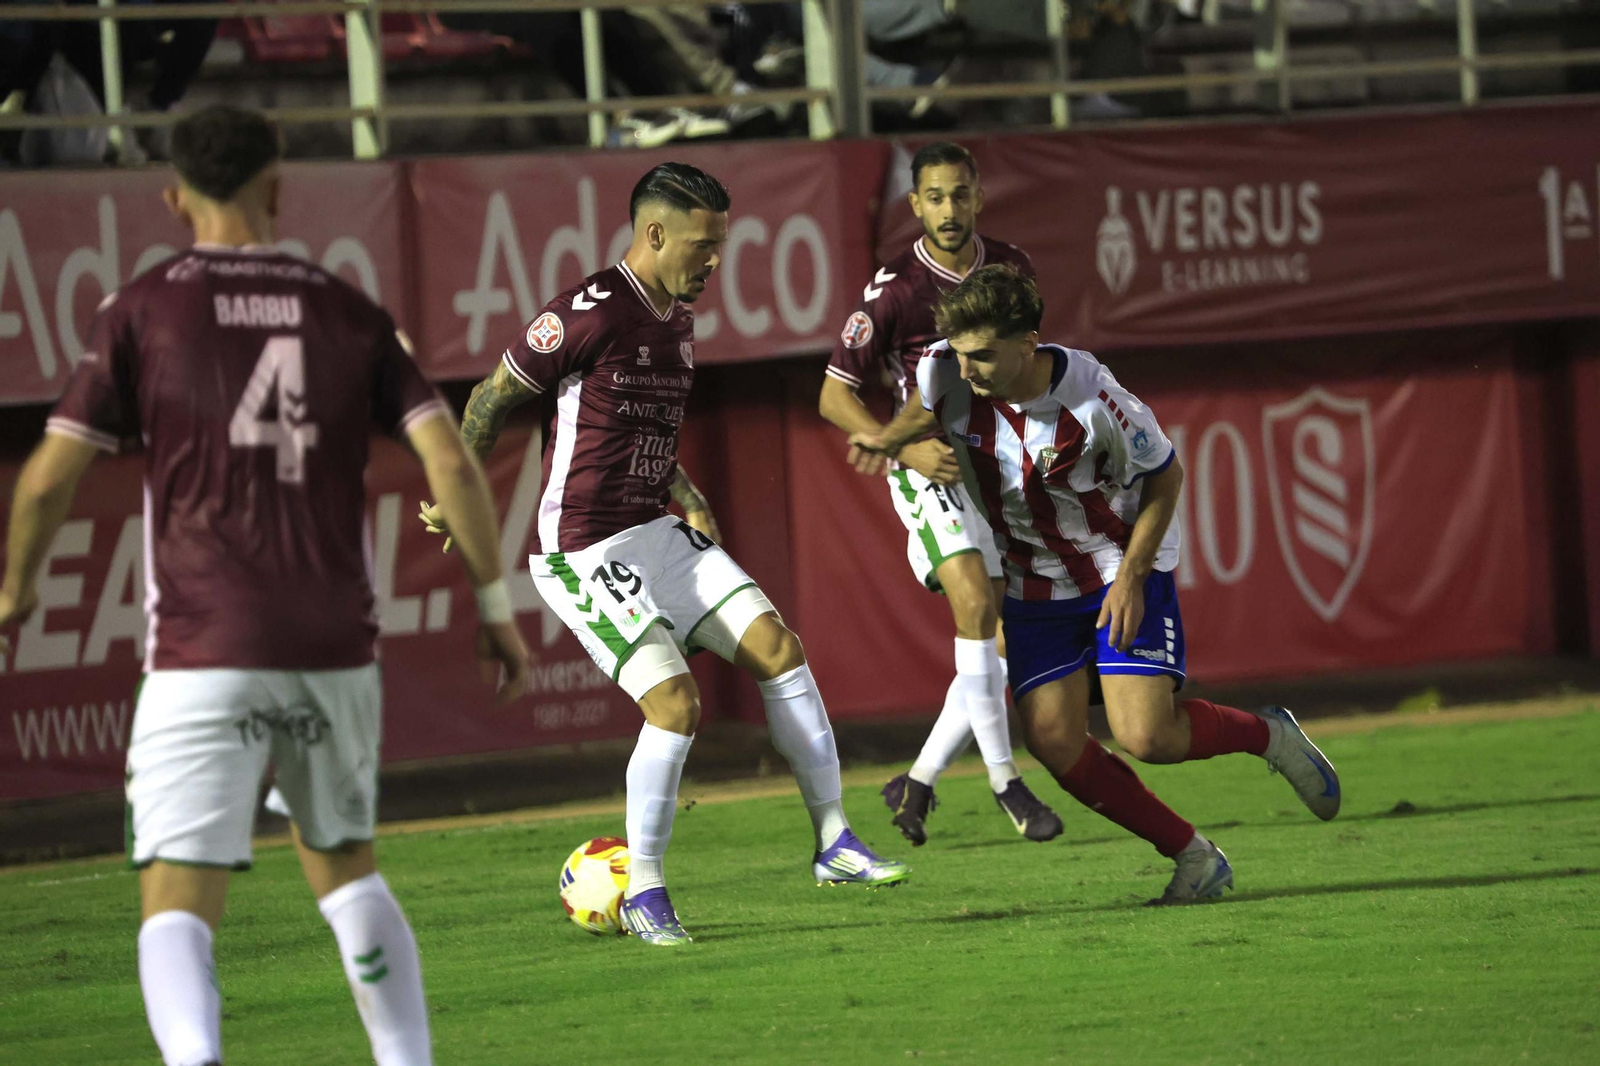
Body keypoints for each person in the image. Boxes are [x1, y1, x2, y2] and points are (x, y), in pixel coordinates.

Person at [0, 105, 532, 1066]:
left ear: (174, 198)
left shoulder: (140, 309)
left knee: (176, 899)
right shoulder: (347, 310)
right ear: (278, 187)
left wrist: (16, 593)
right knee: (348, 872)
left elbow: (44, 481)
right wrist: (494, 608)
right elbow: (452, 464)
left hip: (201, 647)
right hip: (334, 648)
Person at [420, 161, 909, 948]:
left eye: (720, 244)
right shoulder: (589, 313)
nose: (715, 260)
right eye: (703, 245)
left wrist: (687, 493)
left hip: (654, 529)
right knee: (676, 706)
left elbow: (638, 426)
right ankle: (645, 889)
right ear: (654, 234)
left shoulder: (676, 315)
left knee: (779, 649)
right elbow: (491, 397)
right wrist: (457, 494)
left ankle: (834, 844)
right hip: (582, 548)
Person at [847, 264, 1342, 904]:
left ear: (1028, 343)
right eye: (960, 353)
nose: (966, 370)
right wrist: (890, 441)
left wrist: (1133, 578)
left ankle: (1268, 734)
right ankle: (1193, 857)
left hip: (1115, 567)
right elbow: (928, 403)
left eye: (984, 355)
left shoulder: (1094, 399)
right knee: (1052, 740)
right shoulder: (946, 370)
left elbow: (1165, 477)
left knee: (1147, 738)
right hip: (1033, 584)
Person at [818, 141, 1063, 847]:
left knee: (1004, 639)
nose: (949, 209)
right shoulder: (894, 289)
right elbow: (833, 396)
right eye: (935, 197)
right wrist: (901, 446)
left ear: (979, 196)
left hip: (998, 466)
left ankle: (918, 781)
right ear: (915, 205)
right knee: (976, 607)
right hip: (933, 468)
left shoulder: (1012, 269)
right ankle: (1007, 783)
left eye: (960, 194)